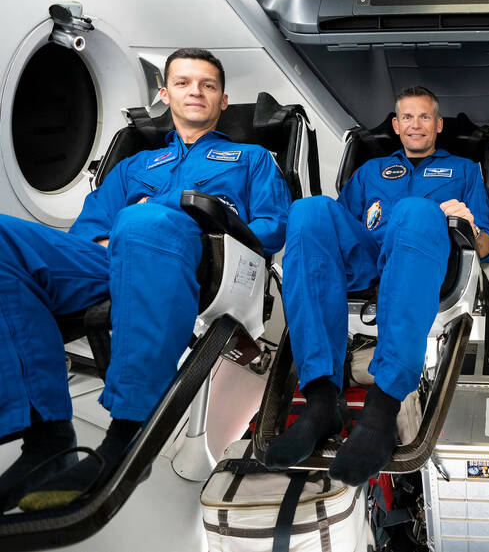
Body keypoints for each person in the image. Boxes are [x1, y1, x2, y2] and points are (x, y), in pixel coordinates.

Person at [0, 48, 291, 512]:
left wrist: (171, 212)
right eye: (183, 83)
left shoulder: (251, 158)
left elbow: (273, 227)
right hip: (115, 261)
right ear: (165, 95)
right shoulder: (134, 167)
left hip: (207, 262)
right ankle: (47, 437)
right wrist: (109, 238)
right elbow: (87, 230)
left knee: (143, 224)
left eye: (207, 85)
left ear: (222, 100)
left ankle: (127, 435)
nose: (195, 91)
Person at [266, 85, 489, 485]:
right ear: (395, 125)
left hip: (425, 262)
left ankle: (382, 406)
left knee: (416, 210)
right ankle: (322, 399)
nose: (415, 124)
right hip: (365, 258)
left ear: (438, 124)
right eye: (407, 117)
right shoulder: (369, 171)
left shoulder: (464, 170)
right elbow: (332, 230)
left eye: (424, 116)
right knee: (307, 210)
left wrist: (468, 225)